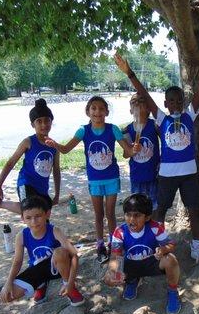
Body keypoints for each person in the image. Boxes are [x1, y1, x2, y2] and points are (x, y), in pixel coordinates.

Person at [114, 45, 199, 264]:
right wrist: (129, 73)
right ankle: (154, 247)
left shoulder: (189, 115)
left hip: (188, 174)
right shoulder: (161, 119)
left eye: (179, 101)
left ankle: (197, 247)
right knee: (160, 211)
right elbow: (145, 95)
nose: (175, 104)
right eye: (171, 101)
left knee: (194, 209)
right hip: (166, 175)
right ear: (165, 104)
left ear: (183, 103)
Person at [45, 96, 140, 264]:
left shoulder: (113, 129)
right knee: (98, 215)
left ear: (107, 112)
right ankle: (100, 245)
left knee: (110, 214)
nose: (97, 112)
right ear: (88, 112)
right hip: (94, 180)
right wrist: (55, 145)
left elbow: (128, 152)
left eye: (101, 108)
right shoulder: (83, 130)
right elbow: (66, 149)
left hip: (111, 178)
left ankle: (113, 243)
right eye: (94, 108)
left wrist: (134, 149)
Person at [0, 98, 60, 220]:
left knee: (44, 216)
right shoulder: (28, 142)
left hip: (42, 188)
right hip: (26, 183)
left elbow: (56, 171)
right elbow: (10, 163)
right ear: (33, 124)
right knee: (29, 211)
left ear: (51, 121)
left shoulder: (54, 147)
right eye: (39, 121)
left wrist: (57, 194)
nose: (43, 124)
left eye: (47, 120)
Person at [0, 195, 84, 306]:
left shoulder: (54, 230)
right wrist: (8, 282)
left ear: (47, 214)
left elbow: (74, 256)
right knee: (7, 295)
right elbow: (17, 261)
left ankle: (68, 286)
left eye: (38, 216)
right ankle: (41, 285)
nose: (34, 221)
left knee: (60, 252)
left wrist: (70, 283)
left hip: (58, 267)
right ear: (23, 219)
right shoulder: (21, 236)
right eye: (28, 218)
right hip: (37, 268)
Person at [104, 193, 181, 314]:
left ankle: (172, 291)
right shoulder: (120, 231)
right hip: (131, 266)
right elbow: (115, 256)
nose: (131, 219)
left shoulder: (155, 228)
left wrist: (163, 250)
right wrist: (112, 272)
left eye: (137, 215)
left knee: (171, 259)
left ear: (147, 217)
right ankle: (132, 281)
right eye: (128, 215)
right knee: (112, 270)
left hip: (151, 263)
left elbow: (171, 244)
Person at [122, 93, 160, 213]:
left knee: (154, 206)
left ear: (148, 108)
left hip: (153, 174)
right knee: (138, 207)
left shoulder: (154, 125)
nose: (137, 104)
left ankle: (155, 230)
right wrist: (132, 150)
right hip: (137, 175)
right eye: (134, 102)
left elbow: (166, 142)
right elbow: (125, 154)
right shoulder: (127, 130)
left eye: (141, 101)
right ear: (130, 110)